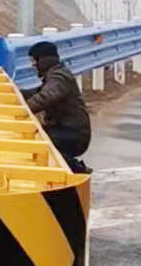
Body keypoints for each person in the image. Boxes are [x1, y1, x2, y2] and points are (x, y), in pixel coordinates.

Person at [22, 40, 92, 174]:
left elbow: (46, 96)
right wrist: (16, 93)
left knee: (41, 140)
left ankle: (74, 168)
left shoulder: (59, 77)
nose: (33, 65)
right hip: (65, 129)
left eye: (34, 61)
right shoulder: (55, 74)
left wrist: (23, 110)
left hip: (73, 134)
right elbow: (37, 93)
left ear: (42, 60)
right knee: (39, 136)